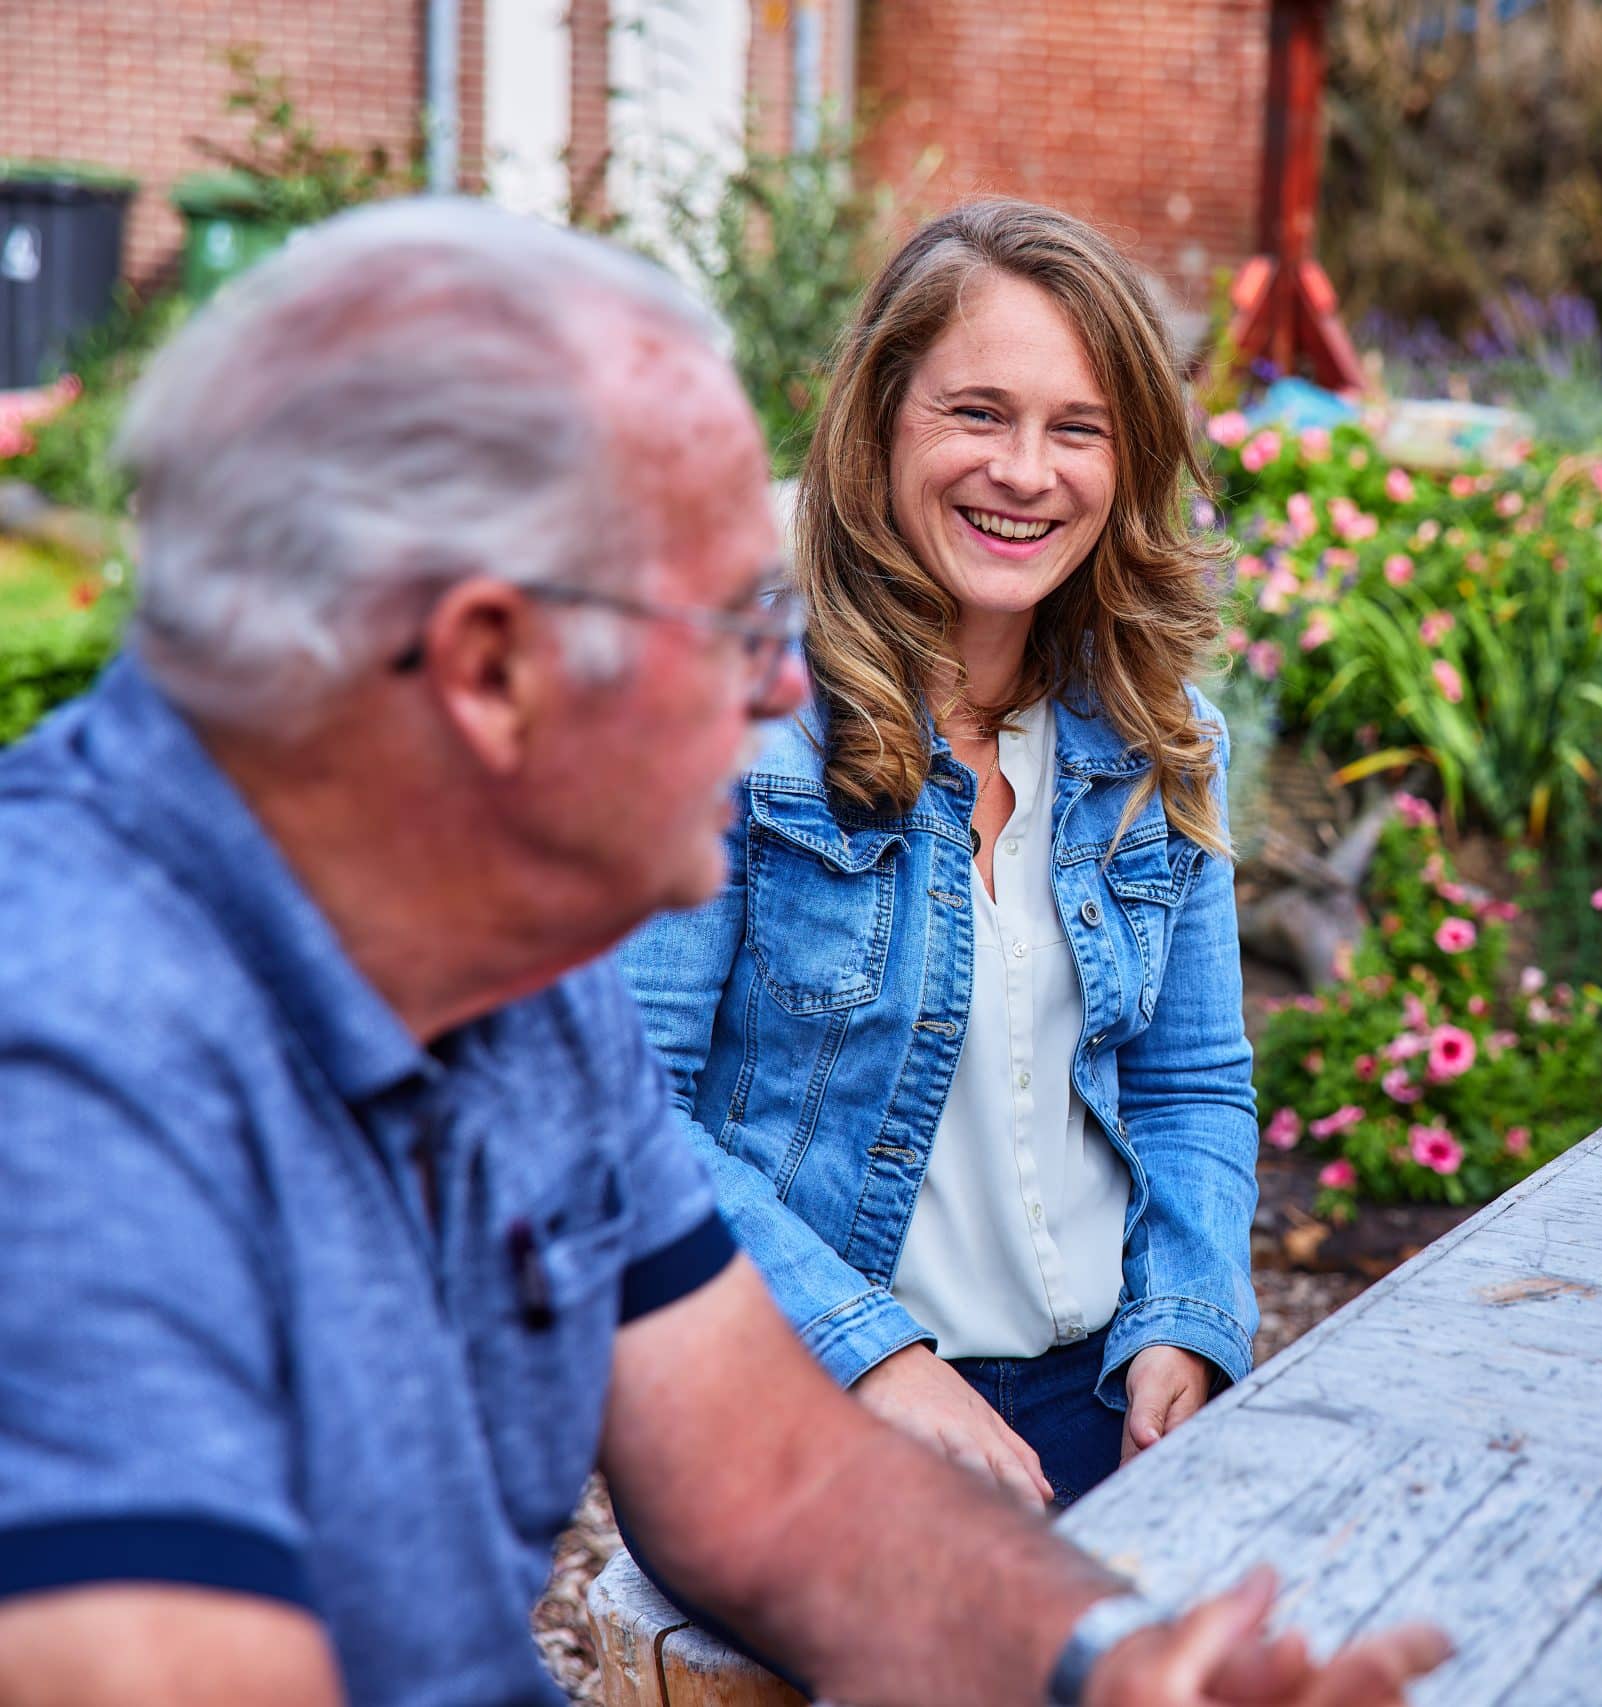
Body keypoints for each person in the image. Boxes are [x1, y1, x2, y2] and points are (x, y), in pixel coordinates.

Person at [0, 198, 1446, 1707]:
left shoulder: (524, 981)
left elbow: (778, 1485)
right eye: (733, 625)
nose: (781, 690)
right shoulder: (68, 1051)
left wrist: (1101, 1666)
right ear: (494, 668)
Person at [620, 199, 1256, 1513]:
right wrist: (876, 1354)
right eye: (978, 413)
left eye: (1076, 428)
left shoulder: (1161, 738)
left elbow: (1191, 1080)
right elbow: (623, 1115)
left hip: (1094, 1397)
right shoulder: (730, 718)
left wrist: (1188, 1320)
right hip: (783, 1396)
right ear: (880, 423)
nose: (1027, 471)